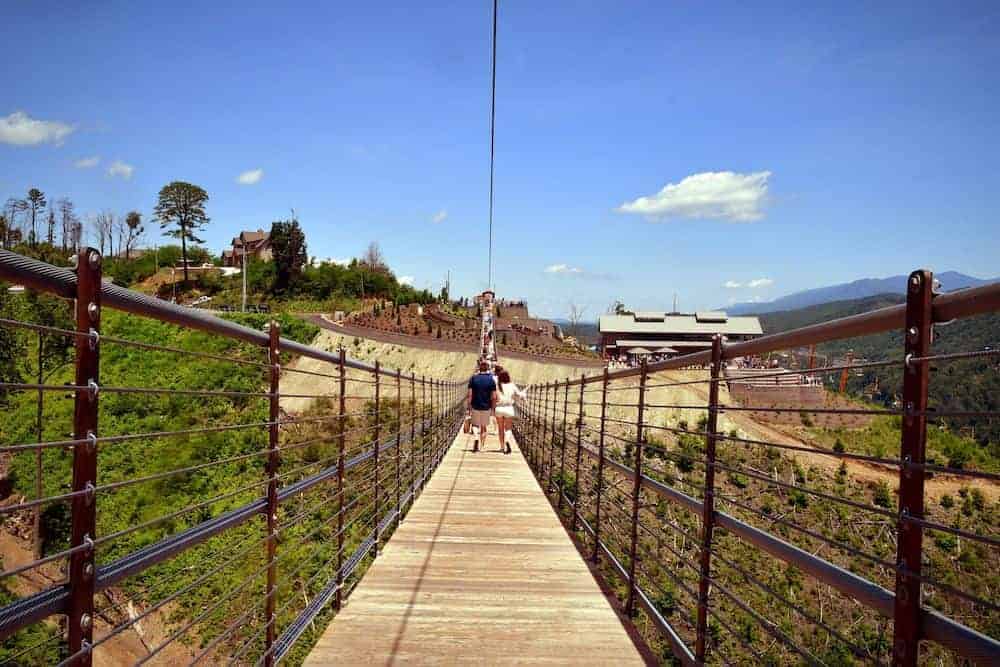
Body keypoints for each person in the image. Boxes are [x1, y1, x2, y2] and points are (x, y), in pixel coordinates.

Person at [467, 360, 497, 452]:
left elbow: (470, 394)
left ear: (479, 368)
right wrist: (493, 408)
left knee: (475, 424)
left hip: (475, 405)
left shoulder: (473, 378)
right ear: (488, 368)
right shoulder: (491, 379)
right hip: (486, 406)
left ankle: (476, 438)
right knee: (484, 427)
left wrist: (469, 406)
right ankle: (481, 447)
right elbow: (494, 396)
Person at [494, 369, 526, 455]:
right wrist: (523, 394)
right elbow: (519, 395)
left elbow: (494, 397)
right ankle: (507, 441)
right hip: (509, 408)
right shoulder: (512, 385)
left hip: (499, 408)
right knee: (508, 428)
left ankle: (502, 447)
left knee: (500, 429)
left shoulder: (497, 386)